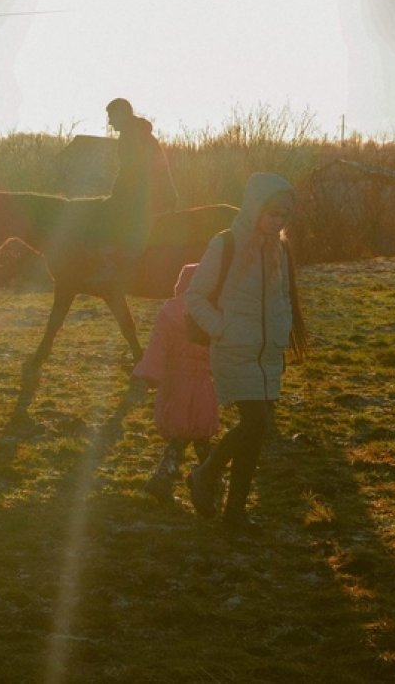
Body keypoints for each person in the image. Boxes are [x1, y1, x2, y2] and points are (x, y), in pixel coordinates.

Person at [183, 172, 306, 533]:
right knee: (256, 423)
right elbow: (194, 297)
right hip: (236, 350)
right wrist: (224, 329)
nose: (278, 221)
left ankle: (234, 511)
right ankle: (205, 474)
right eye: (272, 213)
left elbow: (283, 297)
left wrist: (281, 333)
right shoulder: (225, 244)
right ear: (255, 208)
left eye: (284, 215)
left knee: (256, 433)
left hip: (268, 354)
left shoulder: (280, 249)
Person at [131, 263, 220, 505]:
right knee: (200, 434)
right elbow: (220, 349)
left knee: (179, 435)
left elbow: (157, 348)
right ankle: (209, 479)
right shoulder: (210, 312)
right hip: (202, 384)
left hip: (176, 384)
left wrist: (147, 375)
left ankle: (166, 478)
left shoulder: (169, 312)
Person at [104, 98, 179, 257]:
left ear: (122, 114)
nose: (110, 122)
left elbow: (130, 172)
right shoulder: (137, 131)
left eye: (111, 116)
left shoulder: (131, 135)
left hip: (152, 199)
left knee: (119, 229)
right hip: (159, 196)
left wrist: (114, 199)